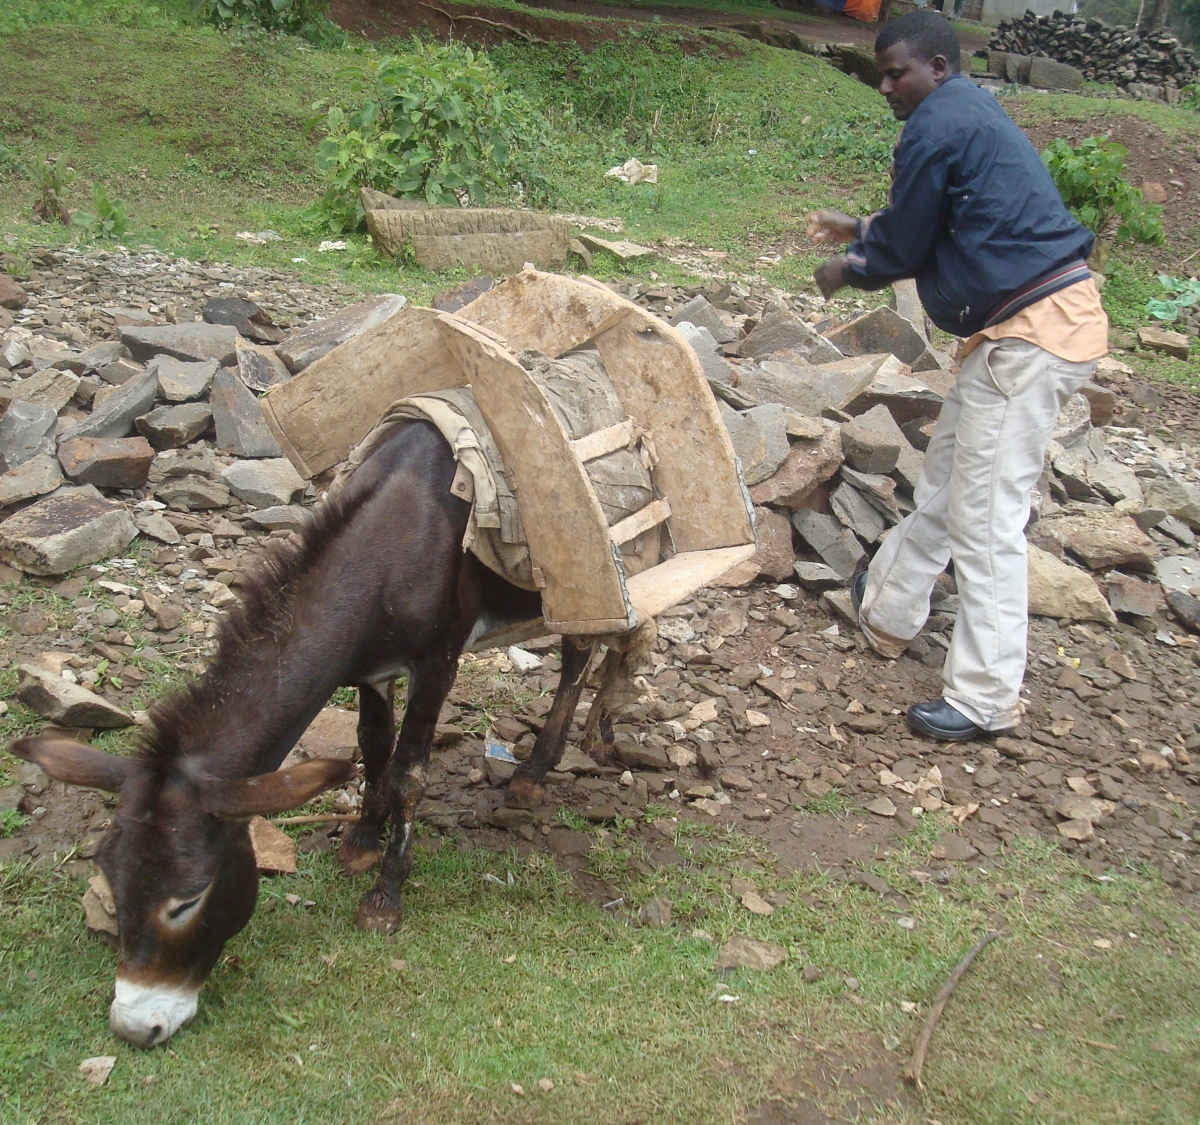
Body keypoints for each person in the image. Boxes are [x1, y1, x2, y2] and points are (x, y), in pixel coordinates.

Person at [807, 10, 1108, 742]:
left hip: (1031, 337)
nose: (886, 86)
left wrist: (849, 267)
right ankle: (887, 612)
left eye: (896, 71)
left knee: (986, 521)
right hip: (1026, 328)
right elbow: (942, 218)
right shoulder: (968, 110)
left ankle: (984, 697)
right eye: (881, 72)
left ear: (938, 67)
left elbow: (911, 240)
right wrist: (865, 229)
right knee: (947, 482)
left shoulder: (936, 126)